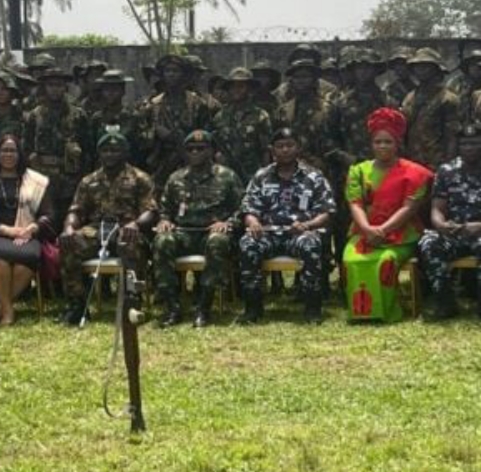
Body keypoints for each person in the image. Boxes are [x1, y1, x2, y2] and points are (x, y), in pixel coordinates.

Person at [417, 123, 481, 322]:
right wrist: (441, 225)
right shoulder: (447, 171)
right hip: (455, 231)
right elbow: (437, 208)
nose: (469, 148)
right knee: (428, 242)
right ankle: (445, 302)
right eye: (464, 144)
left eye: (474, 143)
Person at [58, 130, 158, 326]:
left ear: (124, 153)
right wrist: (69, 227)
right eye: (105, 150)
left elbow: (151, 211)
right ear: (99, 153)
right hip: (97, 228)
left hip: (128, 228)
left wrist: (136, 224)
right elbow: (76, 210)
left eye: (115, 150)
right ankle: (77, 306)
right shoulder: (89, 181)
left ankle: (132, 302)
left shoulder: (140, 178)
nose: (110, 155)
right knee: (70, 243)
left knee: (128, 242)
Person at [237, 129, 336, 324]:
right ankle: (253, 308)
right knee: (248, 243)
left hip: (299, 233)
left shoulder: (313, 176)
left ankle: (312, 309)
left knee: (311, 244)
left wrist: (307, 225)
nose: (285, 150)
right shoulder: (261, 176)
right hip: (269, 233)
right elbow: (248, 208)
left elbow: (327, 212)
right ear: (272, 150)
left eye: (289, 145)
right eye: (280, 146)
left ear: (298, 148)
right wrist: (253, 222)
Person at [342, 109, 432, 323]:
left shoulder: (415, 173)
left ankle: (387, 312)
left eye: (388, 142)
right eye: (378, 142)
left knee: (385, 260)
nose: (382, 146)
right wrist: (367, 229)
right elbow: (355, 204)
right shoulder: (358, 171)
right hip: (363, 231)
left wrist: (382, 230)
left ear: (397, 143)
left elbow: (409, 208)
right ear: (371, 144)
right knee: (350, 259)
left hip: (401, 235)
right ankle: (360, 313)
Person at [153, 130, 244, 328]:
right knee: (162, 241)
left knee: (217, 242)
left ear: (211, 151)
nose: (195, 152)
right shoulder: (176, 178)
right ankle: (172, 307)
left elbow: (242, 209)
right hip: (183, 233)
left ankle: (204, 307)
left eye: (201, 149)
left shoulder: (227, 176)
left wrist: (227, 223)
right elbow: (165, 209)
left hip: (212, 233)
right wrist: (164, 221)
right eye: (190, 149)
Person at [0, 134, 55, 326]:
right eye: (4, 150)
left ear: (19, 154)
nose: (8, 154)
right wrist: (6, 231)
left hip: (27, 235)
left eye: (13, 150)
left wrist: (33, 227)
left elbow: (48, 214)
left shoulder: (35, 181)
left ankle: (1, 308)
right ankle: (8, 310)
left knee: (28, 257)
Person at [22, 67, 90, 218]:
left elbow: (87, 148)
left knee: (69, 216)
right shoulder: (35, 115)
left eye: (59, 85)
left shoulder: (78, 115)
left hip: (70, 176)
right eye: (50, 85)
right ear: (44, 87)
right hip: (42, 175)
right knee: (44, 218)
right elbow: (26, 146)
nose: (54, 89)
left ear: (65, 87)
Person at [140, 54, 216, 187]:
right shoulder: (154, 105)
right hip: (161, 165)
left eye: (175, 71)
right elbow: (143, 139)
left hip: (192, 162)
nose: (171, 75)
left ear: (184, 75)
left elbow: (206, 136)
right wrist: (153, 134)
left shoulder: (197, 104)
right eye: (167, 71)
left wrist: (173, 137)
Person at [210, 67, 272, 185]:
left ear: (249, 89)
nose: (236, 90)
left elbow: (266, 150)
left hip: (252, 173)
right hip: (225, 174)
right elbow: (213, 147)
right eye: (233, 86)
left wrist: (266, 176)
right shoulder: (220, 116)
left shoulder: (260, 115)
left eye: (241, 86)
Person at [401, 48, 461, 169]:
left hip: (437, 162)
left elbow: (452, 137)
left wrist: (449, 167)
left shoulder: (447, 99)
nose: (420, 70)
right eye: (417, 66)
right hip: (411, 162)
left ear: (436, 69)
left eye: (426, 66)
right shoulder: (410, 97)